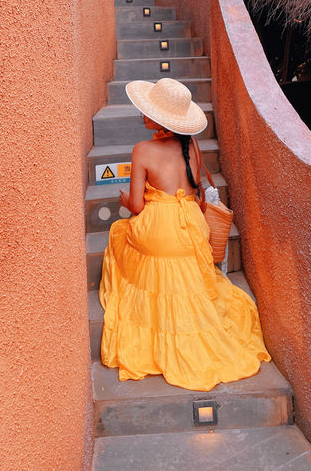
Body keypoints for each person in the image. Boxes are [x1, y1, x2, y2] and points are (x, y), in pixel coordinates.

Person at [99, 77, 271, 391]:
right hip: (192, 225)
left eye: (148, 110)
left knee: (119, 230)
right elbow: (194, 187)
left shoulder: (143, 149)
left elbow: (137, 206)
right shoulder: (190, 144)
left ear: (161, 120)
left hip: (162, 228)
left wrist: (124, 200)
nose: (142, 113)